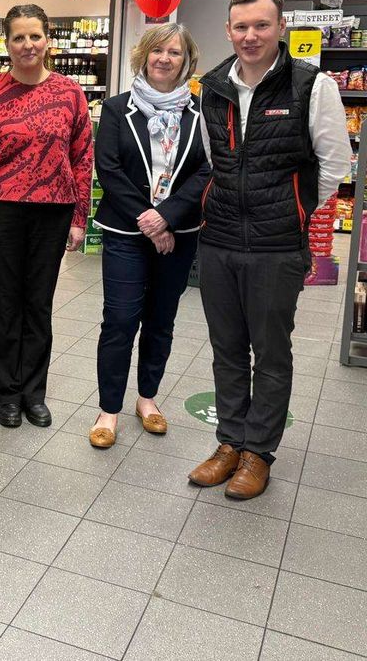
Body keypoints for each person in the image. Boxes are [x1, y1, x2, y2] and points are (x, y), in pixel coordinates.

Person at [188, 0, 350, 500]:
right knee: (226, 349)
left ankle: (259, 452)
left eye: (261, 25)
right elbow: (208, 161)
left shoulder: (312, 86)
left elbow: (335, 166)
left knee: (271, 353)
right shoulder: (211, 86)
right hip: (217, 242)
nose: (250, 36)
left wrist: (295, 213)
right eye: (241, 27)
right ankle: (229, 443)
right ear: (228, 31)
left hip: (277, 247)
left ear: (281, 29)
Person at [0, 4, 93, 429]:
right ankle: (7, 392)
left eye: (35, 36)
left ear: (48, 39)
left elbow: (82, 159)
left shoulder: (70, 93)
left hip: (53, 211)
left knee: (38, 305)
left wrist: (79, 217)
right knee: (5, 304)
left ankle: (34, 392)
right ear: (7, 41)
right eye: (18, 37)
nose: (27, 45)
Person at [87, 23, 209, 449]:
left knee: (161, 321)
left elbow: (206, 172)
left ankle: (147, 399)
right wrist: (148, 219)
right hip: (125, 230)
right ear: (143, 55)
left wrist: (168, 218)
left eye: (174, 52)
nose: (164, 58)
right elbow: (109, 169)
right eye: (157, 50)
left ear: (186, 60)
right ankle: (108, 409)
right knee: (120, 320)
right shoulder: (118, 109)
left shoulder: (200, 112)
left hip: (179, 234)